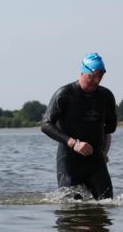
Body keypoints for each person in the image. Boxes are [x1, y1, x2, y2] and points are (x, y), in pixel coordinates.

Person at [41, 53, 117, 199]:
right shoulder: (65, 94)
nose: (96, 81)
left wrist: (104, 152)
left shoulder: (105, 96)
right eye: (93, 76)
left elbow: (109, 129)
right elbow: (45, 125)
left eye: (100, 76)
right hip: (69, 161)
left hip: (96, 161)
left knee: (107, 205)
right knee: (71, 212)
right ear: (83, 72)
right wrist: (74, 143)